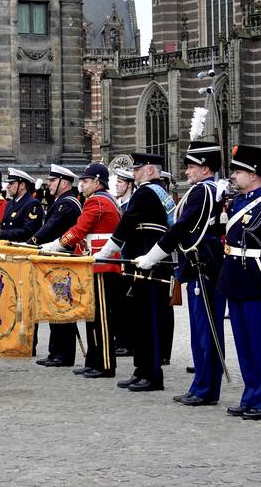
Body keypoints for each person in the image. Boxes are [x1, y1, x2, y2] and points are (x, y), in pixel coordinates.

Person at [134, 141, 225, 406]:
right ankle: (201, 385)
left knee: (205, 333)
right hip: (199, 267)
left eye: (191, 166)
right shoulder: (204, 190)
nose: (186, 171)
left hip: (204, 268)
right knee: (201, 333)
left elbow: (181, 229)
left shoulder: (202, 193)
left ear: (206, 168)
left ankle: (205, 388)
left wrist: (152, 257)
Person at [97, 153, 174, 392]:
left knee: (146, 321)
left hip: (147, 266)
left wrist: (105, 253)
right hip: (148, 264)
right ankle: (141, 370)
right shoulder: (158, 193)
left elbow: (126, 225)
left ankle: (150, 375)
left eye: (138, 169)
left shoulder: (147, 191)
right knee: (142, 320)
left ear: (151, 170)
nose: (134, 173)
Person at [42, 163, 122, 378]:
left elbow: (79, 230)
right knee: (92, 316)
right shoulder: (101, 200)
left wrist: (54, 245)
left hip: (103, 264)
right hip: (95, 263)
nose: (82, 185)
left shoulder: (97, 200)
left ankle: (105, 364)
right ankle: (93, 360)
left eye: (85, 181)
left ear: (97, 182)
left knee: (102, 318)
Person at [217, 145, 261, 420]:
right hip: (235, 278)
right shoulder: (237, 202)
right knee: (243, 345)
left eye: (238, 171)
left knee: (257, 343)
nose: (233, 175)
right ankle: (251, 394)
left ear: (254, 174)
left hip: (255, 278)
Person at [29, 164, 83, 368]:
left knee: (62, 307)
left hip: (64, 262)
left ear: (65, 183)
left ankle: (64, 354)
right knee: (55, 307)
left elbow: (49, 229)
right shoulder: (60, 202)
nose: (49, 183)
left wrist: (30, 244)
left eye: (53, 180)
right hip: (54, 260)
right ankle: (55, 352)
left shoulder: (67, 204)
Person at [112, 168, 137, 357]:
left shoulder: (131, 206)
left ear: (129, 184)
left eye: (121, 182)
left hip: (128, 258)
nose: (117, 185)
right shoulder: (118, 205)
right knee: (118, 303)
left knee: (128, 303)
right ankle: (120, 340)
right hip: (117, 259)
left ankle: (128, 342)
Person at [0, 168, 43, 242]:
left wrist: (2, 233)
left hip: (22, 247)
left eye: (11, 183)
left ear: (22, 185)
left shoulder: (33, 204)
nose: (8, 186)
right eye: (8, 183)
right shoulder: (9, 204)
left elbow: (29, 231)